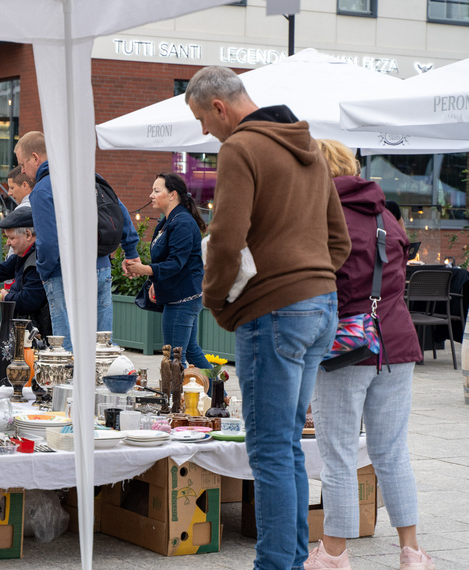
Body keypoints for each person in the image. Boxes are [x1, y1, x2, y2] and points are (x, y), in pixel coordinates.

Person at [185, 66, 351, 569]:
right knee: (288, 448)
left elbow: (227, 239)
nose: (203, 132)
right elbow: (339, 241)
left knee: (271, 449)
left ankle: (277, 564)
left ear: (219, 106)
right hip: (321, 305)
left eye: (200, 118)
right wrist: (309, 279)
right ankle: (291, 560)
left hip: (275, 311)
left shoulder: (240, 148)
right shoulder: (308, 147)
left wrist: (216, 301)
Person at [305, 140, 432, 570]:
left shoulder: (323, 217)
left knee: (339, 453)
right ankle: (412, 552)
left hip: (346, 348)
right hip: (396, 342)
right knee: (392, 451)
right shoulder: (385, 216)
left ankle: (334, 554)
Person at [16, 130, 140, 351]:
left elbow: (48, 241)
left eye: (22, 163)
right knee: (102, 347)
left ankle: (74, 385)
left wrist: (44, 271)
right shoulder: (86, 176)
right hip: (100, 267)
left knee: (68, 350)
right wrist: (131, 251)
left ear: (36, 157)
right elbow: (118, 209)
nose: (22, 171)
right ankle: (99, 384)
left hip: (63, 273)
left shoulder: (43, 189)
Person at [124, 173, 212, 373]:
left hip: (182, 299)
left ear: (172, 195)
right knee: (190, 350)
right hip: (181, 295)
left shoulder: (181, 222)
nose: (151, 195)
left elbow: (175, 263)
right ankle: (218, 393)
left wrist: (144, 270)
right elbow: (166, 260)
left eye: (156, 191)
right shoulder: (168, 221)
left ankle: (176, 401)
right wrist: (154, 280)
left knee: (175, 356)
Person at [0, 207, 52, 338]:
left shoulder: (37, 261)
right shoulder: (24, 255)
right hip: (22, 322)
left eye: (11, 238)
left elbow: (29, 300)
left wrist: (6, 296)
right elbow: (2, 269)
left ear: (28, 235)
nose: (8, 243)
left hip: (34, 329)